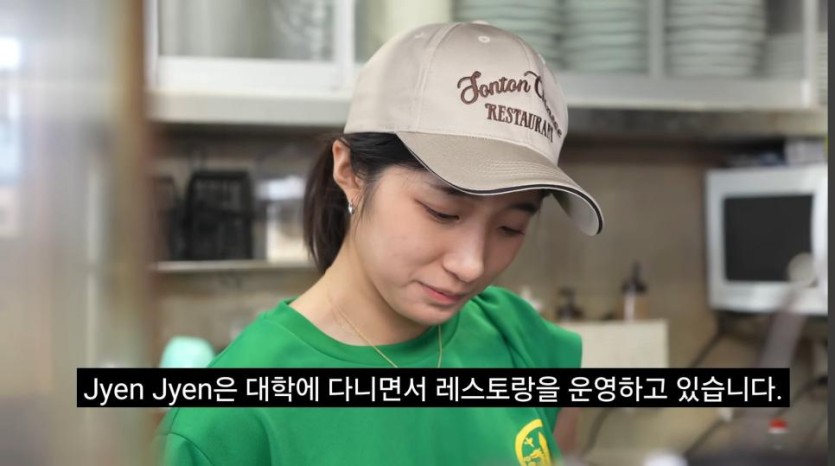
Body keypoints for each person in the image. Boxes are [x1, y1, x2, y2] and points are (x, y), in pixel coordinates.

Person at [155, 21, 604, 466]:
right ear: (350, 171)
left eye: (510, 227)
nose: (471, 264)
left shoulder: (524, 341)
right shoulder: (225, 424)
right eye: (442, 212)